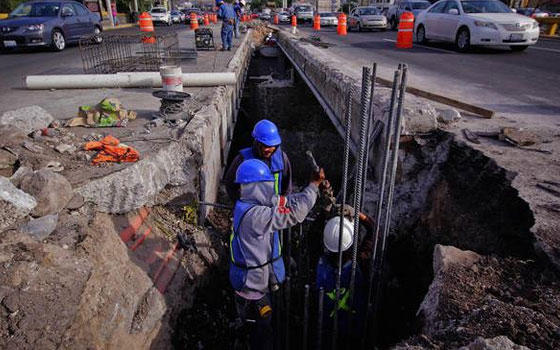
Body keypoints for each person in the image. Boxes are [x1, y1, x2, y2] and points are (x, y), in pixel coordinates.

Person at [230, 158, 325, 350]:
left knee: (262, 330)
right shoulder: (255, 216)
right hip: (253, 293)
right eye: (267, 186)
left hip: (250, 285)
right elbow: (295, 215)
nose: (270, 190)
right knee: (263, 336)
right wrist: (314, 186)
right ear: (256, 187)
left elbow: (286, 201)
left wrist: (308, 190)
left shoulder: (246, 203)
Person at [316, 208, 375, 348]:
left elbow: (312, 235)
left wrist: (325, 212)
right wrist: (358, 214)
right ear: (351, 243)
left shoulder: (318, 260)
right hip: (355, 334)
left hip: (324, 332)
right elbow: (373, 231)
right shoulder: (361, 261)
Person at [224, 119, 292, 203]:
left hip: (273, 209)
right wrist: (239, 204)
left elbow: (287, 187)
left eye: (271, 145)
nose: (268, 149)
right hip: (251, 210)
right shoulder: (242, 159)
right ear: (256, 143)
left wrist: (281, 206)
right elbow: (230, 184)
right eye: (264, 145)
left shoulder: (282, 159)